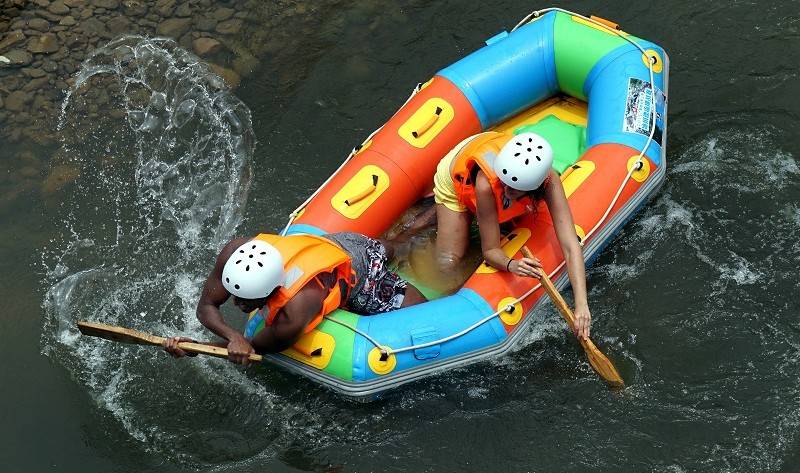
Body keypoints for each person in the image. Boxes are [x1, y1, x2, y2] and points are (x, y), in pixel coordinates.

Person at [163, 232, 427, 364]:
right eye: (235, 295)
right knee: (392, 245)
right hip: (334, 244)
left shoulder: (298, 307)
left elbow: (256, 347)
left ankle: (421, 235)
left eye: (246, 302)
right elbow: (206, 306)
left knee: (421, 309)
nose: (236, 304)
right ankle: (412, 233)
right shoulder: (237, 252)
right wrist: (231, 337)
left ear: (273, 291)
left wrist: (199, 348)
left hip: (361, 272)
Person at [432, 131, 591, 339]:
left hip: (492, 163)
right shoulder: (486, 183)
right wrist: (511, 265)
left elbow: (570, 245)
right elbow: (490, 250)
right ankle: (432, 215)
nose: (506, 192)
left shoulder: (549, 180)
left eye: (514, 190)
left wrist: (582, 305)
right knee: (448, 262)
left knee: (502, 211)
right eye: (505, 185)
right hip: (458, 173)